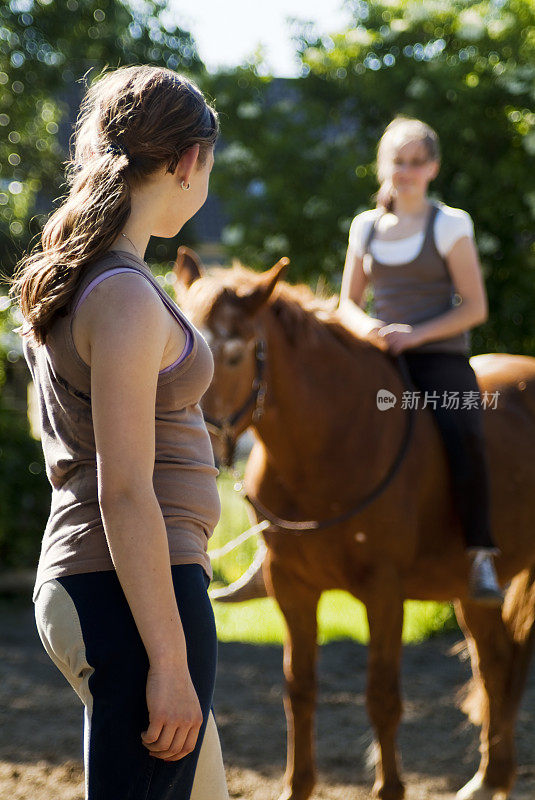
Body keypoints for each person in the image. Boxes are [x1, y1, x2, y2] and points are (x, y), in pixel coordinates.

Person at [9, 65, 230, 799]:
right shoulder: (125, 295)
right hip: (135, 591)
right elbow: (126, 489)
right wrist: (168, 663)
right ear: (186, 160)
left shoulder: (88, 277)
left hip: (113, 585)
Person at [338, 116, 503, 605]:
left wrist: (416, 335)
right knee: (314, 413)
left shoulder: (450, 223)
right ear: (383, 166)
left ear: (432, 168)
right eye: (397, 161)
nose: (405, 171)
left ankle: (480, 554)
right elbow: (346, 304)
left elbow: (475, 308)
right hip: (378, 356)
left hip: (437, 359)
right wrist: (367, 328)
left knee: (464, 431)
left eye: (415, 162)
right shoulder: (364, 226)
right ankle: (280, 548)